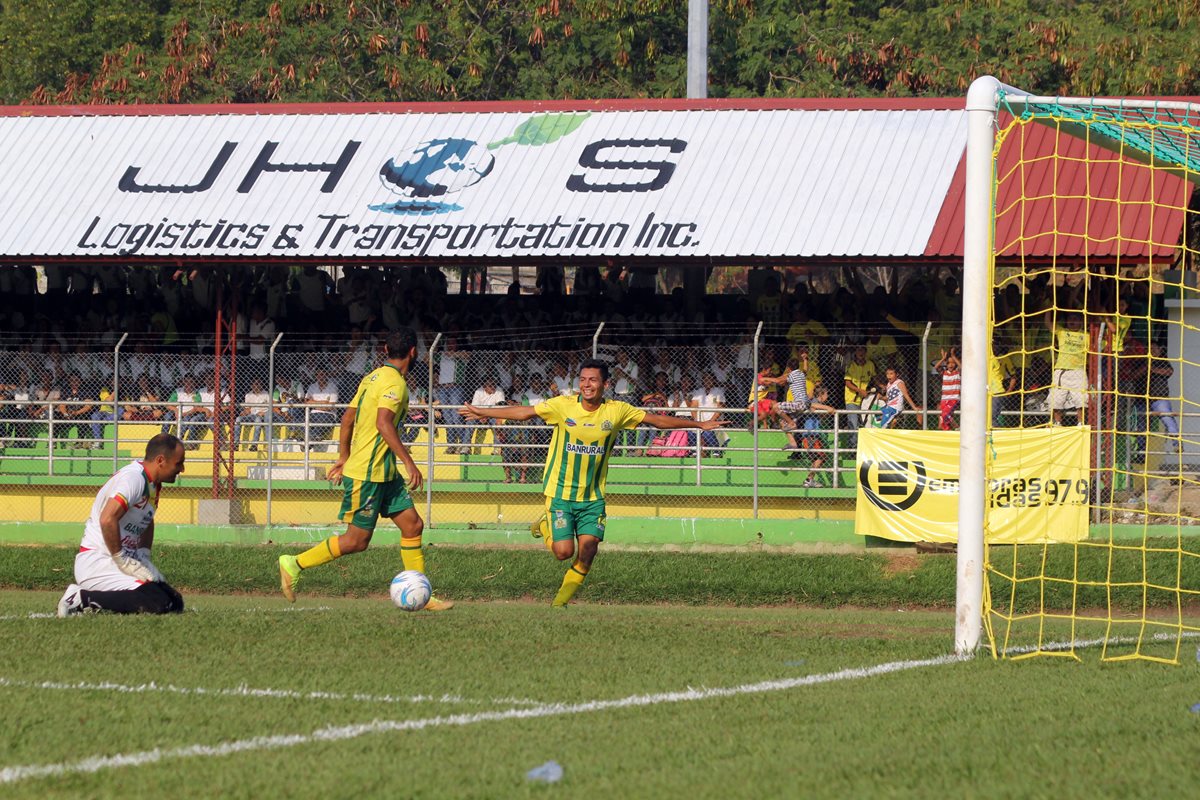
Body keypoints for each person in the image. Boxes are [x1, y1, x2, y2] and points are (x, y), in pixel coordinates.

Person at [461, 358, 726, 608]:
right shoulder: (563, 405)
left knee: (588, 551)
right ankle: (544, 524)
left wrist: (698, 425)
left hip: (592, 498)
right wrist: (483, 411)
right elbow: (525, 412)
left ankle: (558, 605)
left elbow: (656, 420)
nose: (586, 385)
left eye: (593, 380)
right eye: (583, 379)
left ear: (605, 384)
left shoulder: (617, 410)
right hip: (561, 493)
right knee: (563, 552)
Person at [277, 328, 453, 611]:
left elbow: (347, 418)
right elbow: (383, 423)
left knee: (413, 526)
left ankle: (422, 593)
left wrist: (344, 455)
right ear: (414, 352)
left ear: (385, 350)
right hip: (368, 474)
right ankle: (294, 563)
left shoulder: (371, 377)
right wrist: (409, 462)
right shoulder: (396, 384)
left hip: (385, 472)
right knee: (356, 541)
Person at [56, 434, 187, 616]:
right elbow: (107, 519)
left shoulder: (151, 483)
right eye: (179, 463)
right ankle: (79, 598)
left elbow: (147, 518)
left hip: (120, 561)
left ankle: (102, 602)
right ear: (160, 461)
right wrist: (121, 559)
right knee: (157, 603)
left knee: (175, 602)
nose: (182, 469)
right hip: (99, 561)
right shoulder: (134, 479)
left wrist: (143, 556)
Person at [1046, 311, 1089, 426]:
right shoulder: (1062, 332)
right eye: (1070, 318)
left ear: (1081, 322)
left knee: (1081, 399)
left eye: (1075, 319)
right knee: (1056, 399)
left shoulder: (1087, 335)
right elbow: (1048, 323)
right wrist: (1048, 309)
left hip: (1079, 371)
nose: (1072, 321)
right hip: (1062, 370)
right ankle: (1057, 423)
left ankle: (1081, 423)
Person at [933, 346, 961, 431]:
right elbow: (936, 367)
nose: (951, 365)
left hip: (954, 398)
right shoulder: (944, 373)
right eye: (949, 363)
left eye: (953, 363)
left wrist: (953, 356)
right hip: (944, 398)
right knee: (943, 416)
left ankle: (957, 427)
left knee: (945, 414)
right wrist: (943, 358)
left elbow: (961, 367)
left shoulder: (957, 373)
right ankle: (947, 430)